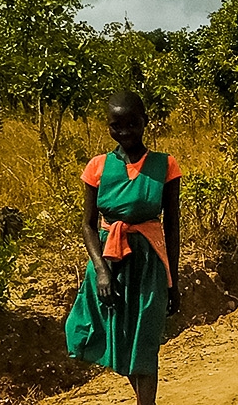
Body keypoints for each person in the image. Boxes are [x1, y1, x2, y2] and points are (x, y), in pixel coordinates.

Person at [66, 91, 182, 405]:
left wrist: (173, 281)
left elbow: (172, 226)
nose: (125, 131)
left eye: (132, 123)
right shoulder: (98, 167)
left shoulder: (165, 165)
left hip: (148, 264)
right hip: (109, 262)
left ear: (145, 122)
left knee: (145, 341)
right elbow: (89, 224)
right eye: (117, 125)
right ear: (109, 127)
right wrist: (102, 273)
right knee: (117, 337)